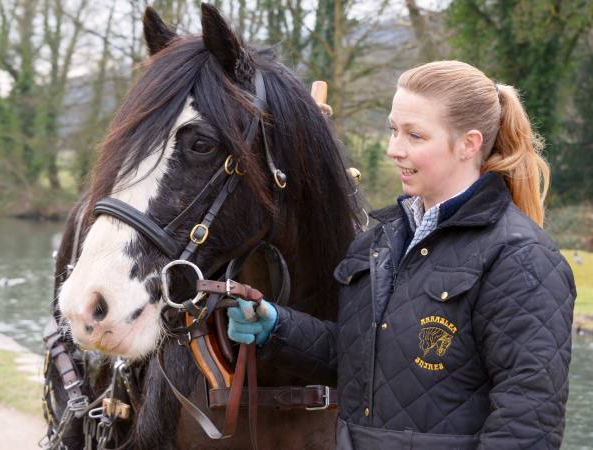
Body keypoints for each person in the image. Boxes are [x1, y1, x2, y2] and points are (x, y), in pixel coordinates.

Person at [227, 60, 576, 450]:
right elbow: (362, 360)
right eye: (393, 130)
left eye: (415, 135)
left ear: (469, 144)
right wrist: (277, 327)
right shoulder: (377, 242)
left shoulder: (521, 258)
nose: (394, 149)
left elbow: (528, 423)